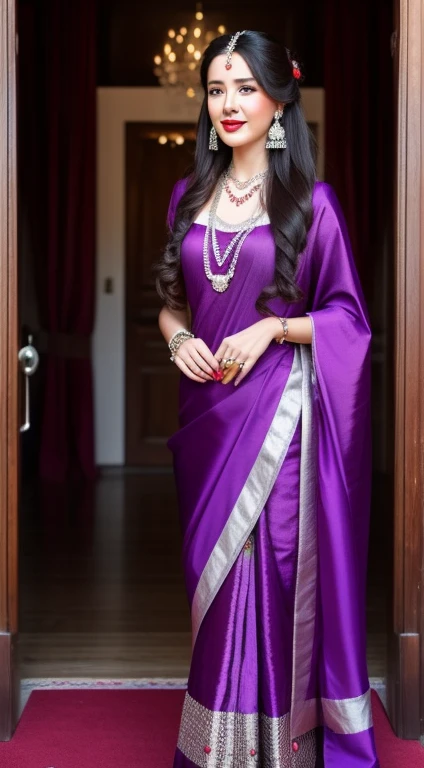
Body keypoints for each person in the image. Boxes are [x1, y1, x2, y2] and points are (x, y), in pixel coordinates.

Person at [155, 29, 380, 768]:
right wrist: (176, 337)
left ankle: (278, 748)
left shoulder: (310, 204)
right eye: (217, 89)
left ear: (279, 99)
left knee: (271, 577)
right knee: (218, 586)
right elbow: (170, 299)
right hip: (208, 423)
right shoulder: (186, 198)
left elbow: (349, 319)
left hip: (280, 422)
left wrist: (274, 332)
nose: (229, 103)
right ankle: (215, 745)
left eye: (245, 88)